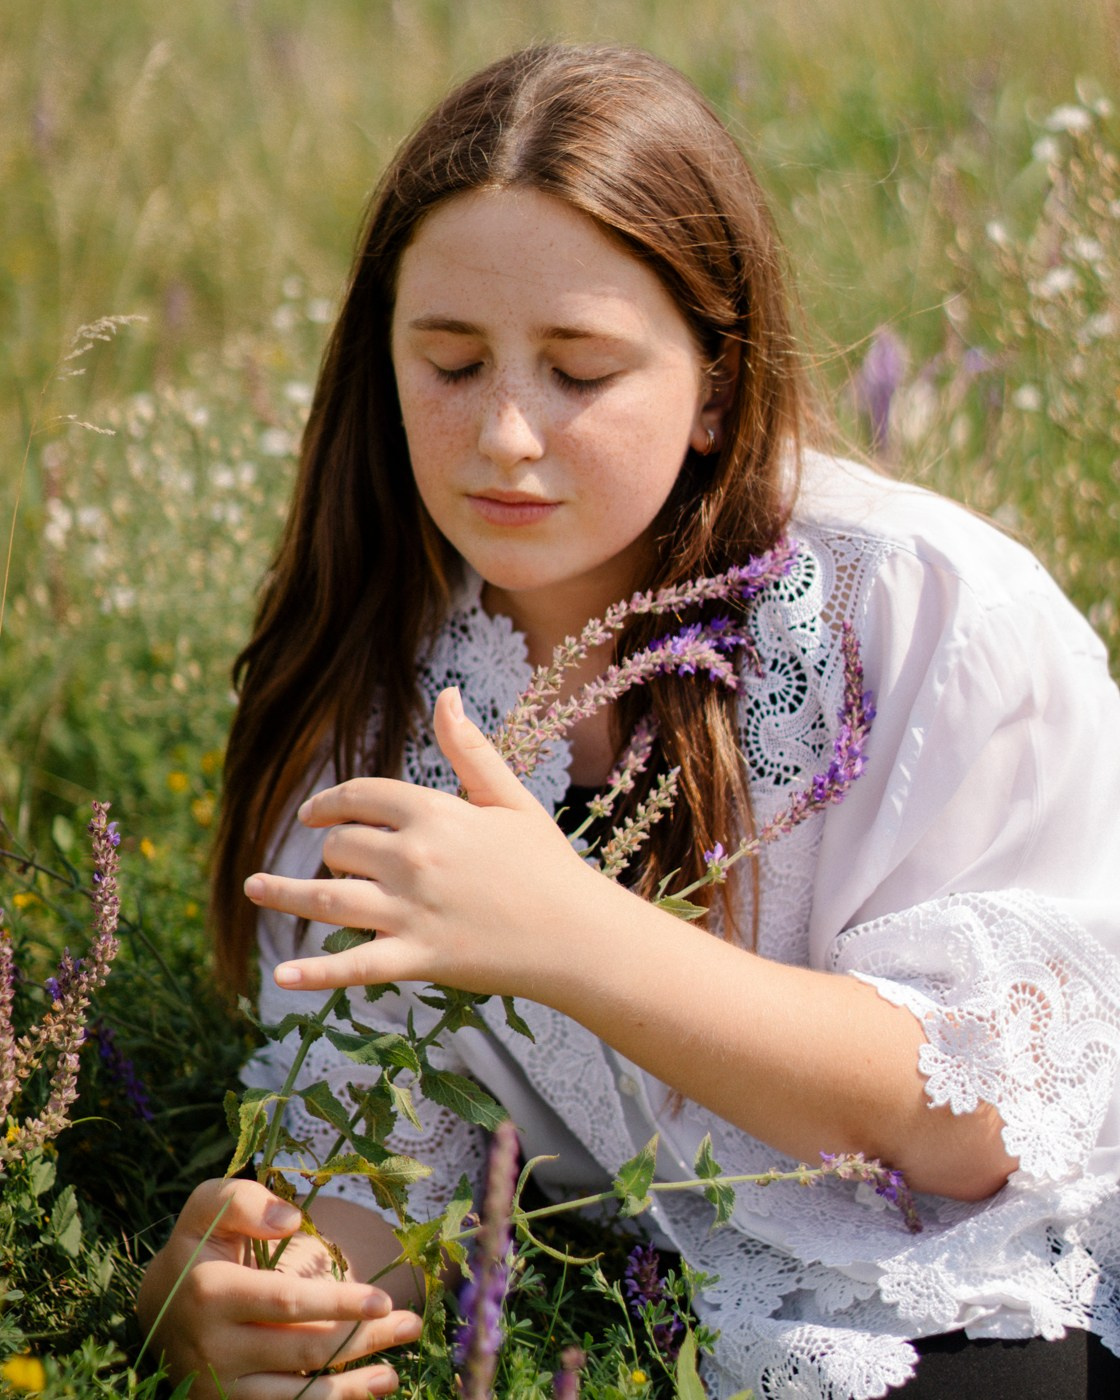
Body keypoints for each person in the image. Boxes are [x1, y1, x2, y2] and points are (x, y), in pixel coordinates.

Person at [137, 42, 1120, 1400]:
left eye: (581, 371)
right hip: (679, 1323)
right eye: (451, 362)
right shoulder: (372, 679)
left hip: (999, 1281)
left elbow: (982, 1125)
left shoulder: (920, 618)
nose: (506, 435)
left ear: (714, 385)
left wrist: (574, 936)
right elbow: (389, 1149)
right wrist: (260, 1294)